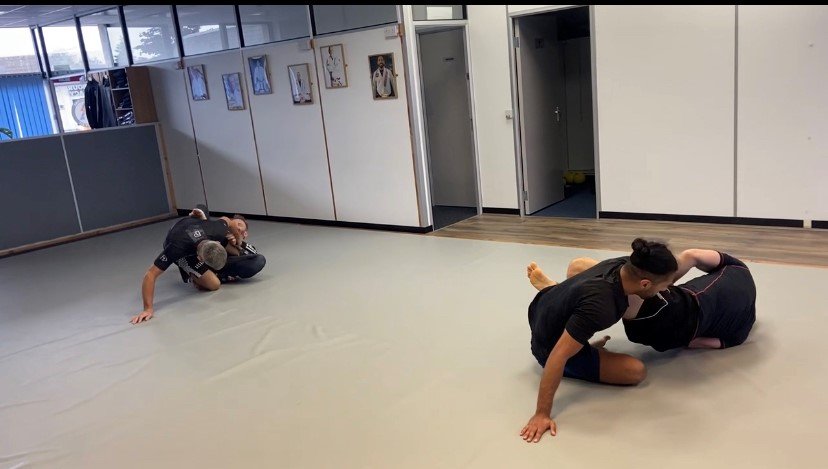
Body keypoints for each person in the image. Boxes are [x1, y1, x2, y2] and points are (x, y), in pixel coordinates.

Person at [520, 238, 678, 443]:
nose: (664, 290)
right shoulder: (602, 306)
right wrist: (542, 413)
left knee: (580, 267)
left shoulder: (625, 264)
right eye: (664, 286)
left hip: (544, 307)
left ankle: (555, 294)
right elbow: (558, 355)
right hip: (547, 349)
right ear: (645, 283)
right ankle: (579, 350)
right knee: (636, 371)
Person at [611, 249, 755, 351]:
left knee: (617, 281)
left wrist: (661, 282)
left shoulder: (739, 267)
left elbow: (691, 256)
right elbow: (697, 343)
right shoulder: (742, 330)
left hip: (679, 304)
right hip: (680, 329)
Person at [130, 212, 247, 324]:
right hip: (177, 241)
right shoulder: (176, 248)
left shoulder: (216, 230)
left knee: (234, 252)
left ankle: (203, 271)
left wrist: (238, 239)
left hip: (193, 228)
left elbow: (228, 220)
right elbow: (150, 274)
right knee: (214, 284)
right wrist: (148, 309)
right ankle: (186, 268)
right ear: (200, 258)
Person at [189, 205, 266, 284]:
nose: (238, 228)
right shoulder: (220, 231)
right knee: (202, 208)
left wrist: (238, 245)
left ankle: (219, 276)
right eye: (238, 224)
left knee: (260, 259)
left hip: (226, 264)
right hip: (204, 254)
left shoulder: (246, 246)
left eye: (241, 226)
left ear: (245, 234)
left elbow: (253, 256)